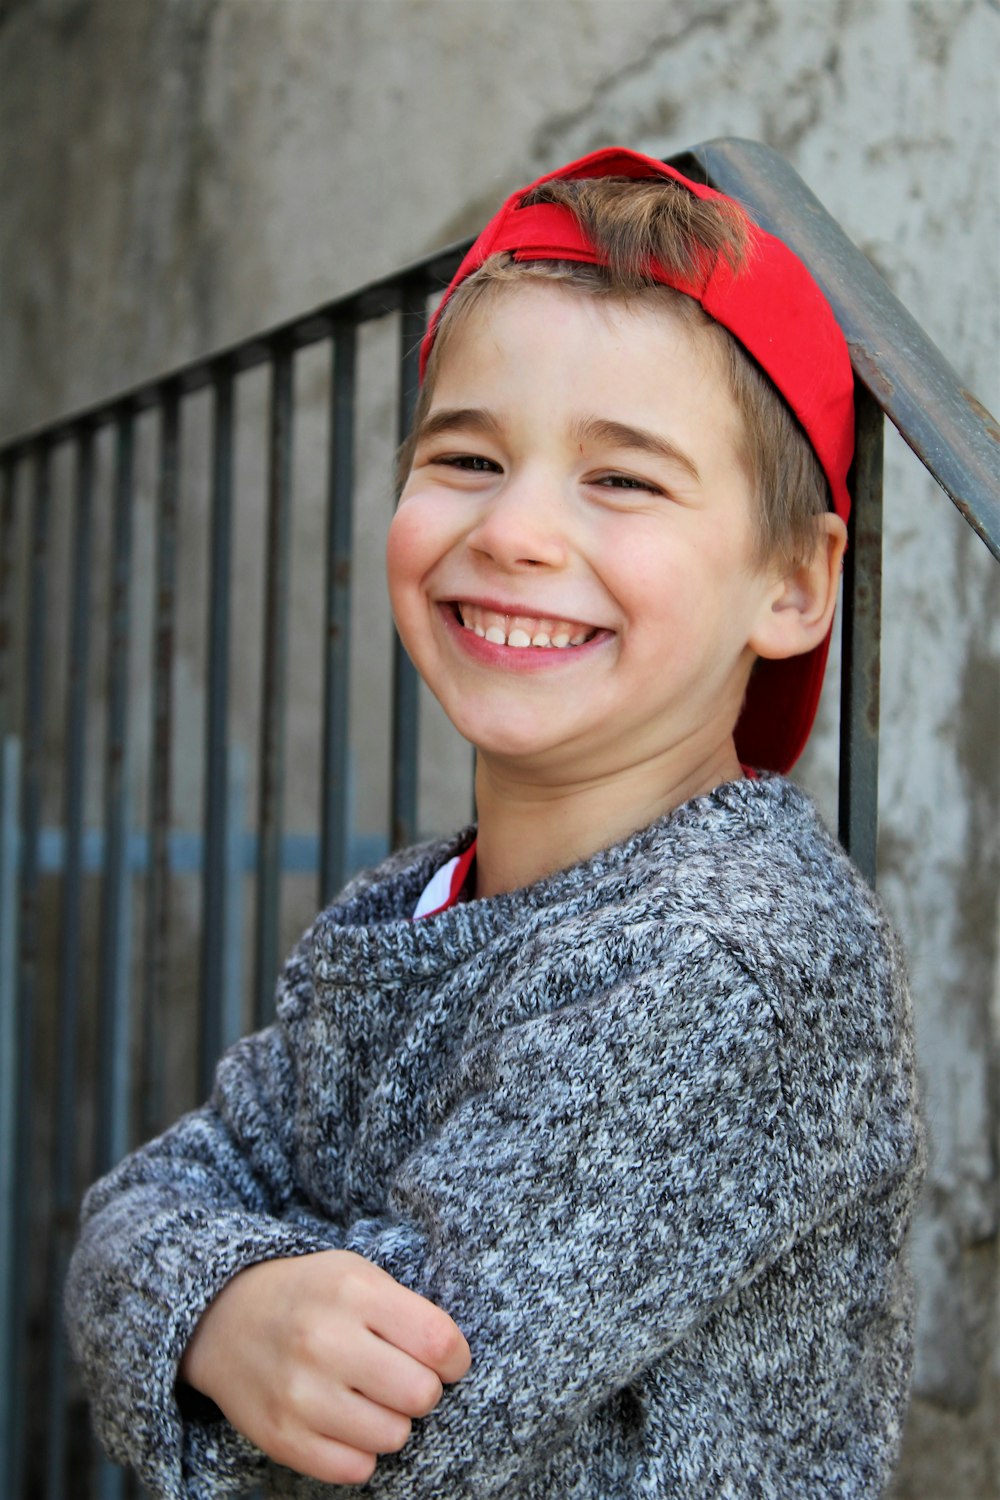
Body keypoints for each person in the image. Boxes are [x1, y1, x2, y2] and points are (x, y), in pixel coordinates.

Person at [66, 147, 923, 1499]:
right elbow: (133, 1209)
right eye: (467, 454)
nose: (516, 529)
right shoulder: (407, 904)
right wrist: (220, 1308)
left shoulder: (734, 958)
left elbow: (383, 1436)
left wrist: (191, 1308)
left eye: (624, 479)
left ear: (796, 584)